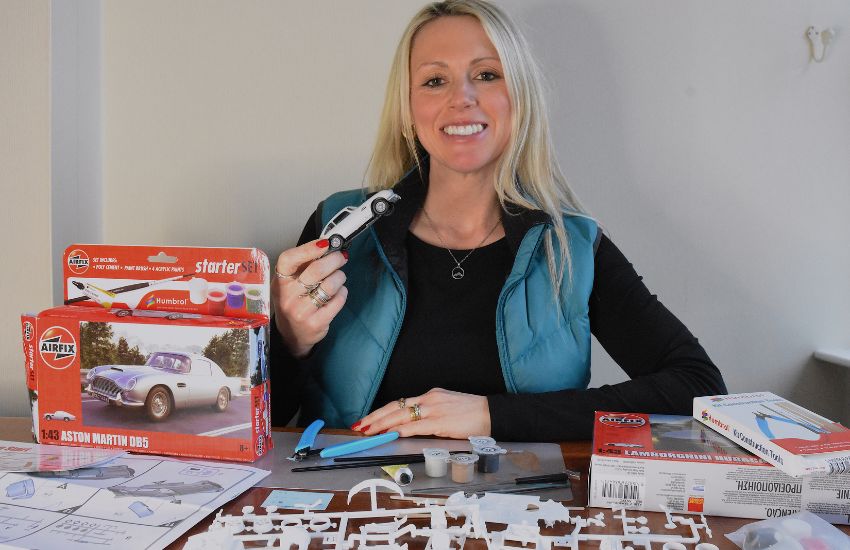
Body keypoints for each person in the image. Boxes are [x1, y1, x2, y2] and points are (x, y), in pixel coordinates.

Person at [270, 0, 726, 441]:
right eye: (434, 81)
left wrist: (490, 414)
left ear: (519, 101)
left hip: (525, 513)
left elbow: (699, 387)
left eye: (486, 75)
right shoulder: (339, 226)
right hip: (354, 506)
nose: (461, 99)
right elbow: (250, 422)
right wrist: (287, 341)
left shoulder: (572, 246)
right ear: (408, 111)